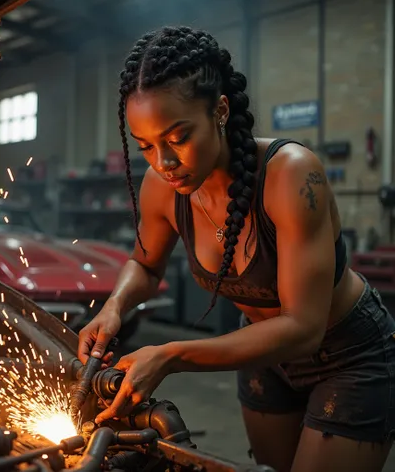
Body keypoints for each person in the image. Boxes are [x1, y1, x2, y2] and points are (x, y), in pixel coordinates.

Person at [78, 26, 395, 472]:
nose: (163, 163)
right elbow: (145, 264)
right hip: (264, 357)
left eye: (177, 137)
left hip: (346, 354)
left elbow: (305, 328)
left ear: (220, 110)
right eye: (146, 146)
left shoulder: (291, 175)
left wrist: (171, 354)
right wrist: (114, 307)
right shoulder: (162, 188)